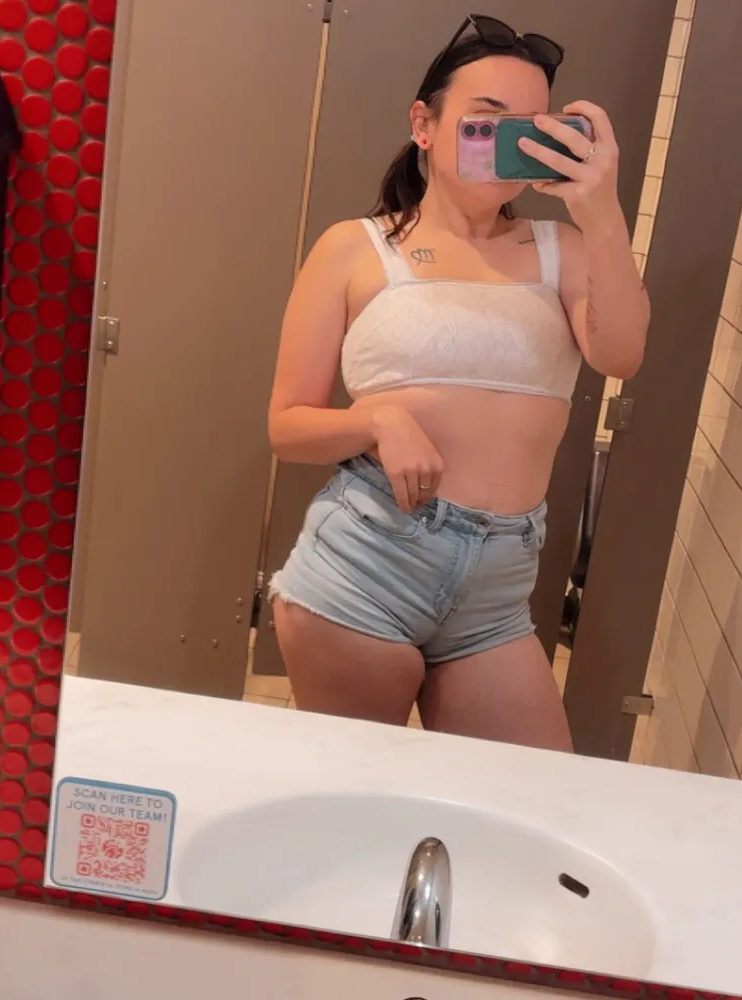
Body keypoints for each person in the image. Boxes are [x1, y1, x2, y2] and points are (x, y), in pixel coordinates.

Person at [266, 14, 649, 752]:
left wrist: (599, 206)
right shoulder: (354, 248)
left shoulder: (562, 248)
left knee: (529, 799)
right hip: (370, 559)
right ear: (424, 124)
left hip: (499, 587)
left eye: (528, 127)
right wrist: (377, 421)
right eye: (486, 120)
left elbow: (622, 355)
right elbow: (287, 427)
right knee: (360, 794)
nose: (508, 142)